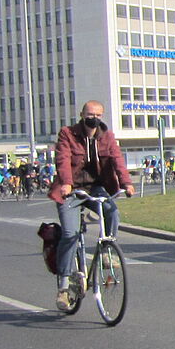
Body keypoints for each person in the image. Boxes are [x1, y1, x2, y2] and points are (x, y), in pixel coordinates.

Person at [48, 101, 136, 311]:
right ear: (82, 114)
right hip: (71, 190)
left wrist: (127, 183)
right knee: (70, 233)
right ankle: (64, 285)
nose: (93, 118)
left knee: (112, 212)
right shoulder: (68, 134)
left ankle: (107, 250)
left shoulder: (107, 137)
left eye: (97, 114)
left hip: (95, 188)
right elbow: (63, 160)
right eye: (89, 114)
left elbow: (117, 161)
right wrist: (67, 183)